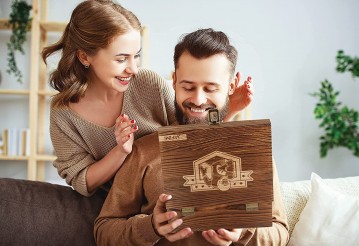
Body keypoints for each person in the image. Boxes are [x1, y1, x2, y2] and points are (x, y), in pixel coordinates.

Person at [94, 28, 289, 246]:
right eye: (188, 87)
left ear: (232, 85)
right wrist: (151, 227)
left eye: (210, 88)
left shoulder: (253, 148)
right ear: (174, 80)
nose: (198, 99)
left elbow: (280, 235)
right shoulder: (144, 150)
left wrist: (243, 230)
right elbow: (104, 233)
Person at [41, 0, 252, 196]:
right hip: (118, 208)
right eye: (121, 59)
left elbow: (193, 140)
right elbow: (81, 181)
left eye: (137, 56)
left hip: (172, 192)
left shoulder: (148, 83)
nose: (133, 69)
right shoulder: (63, 113)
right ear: (85, 56)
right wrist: (121, 151)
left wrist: (230, 109)